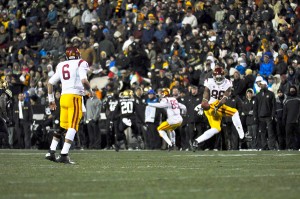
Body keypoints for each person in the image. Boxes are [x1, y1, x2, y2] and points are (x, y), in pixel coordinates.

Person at [45, 47, 92, 164]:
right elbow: (84, 80)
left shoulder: (61, 65)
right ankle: (64, 154)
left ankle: (51, 152)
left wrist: (51, 100)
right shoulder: (81, 63)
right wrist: (90, 90)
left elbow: (50, 83)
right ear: (78, 54)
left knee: (63, 126)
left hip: (63, 97)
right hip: (74, 97)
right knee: (73, 126)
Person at [192, 67, 245, 151]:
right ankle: (242, 137)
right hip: (213, 106)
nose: (219, 79)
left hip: (215, 107)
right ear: (214, 76)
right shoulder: (211, 81)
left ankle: (197, 141)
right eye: (217, 78)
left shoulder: (227, 83)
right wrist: (204, 104)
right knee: (234, 112)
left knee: (216, 129)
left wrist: (216, 105)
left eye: (220, 78)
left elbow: (225, 97)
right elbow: (206, 94)